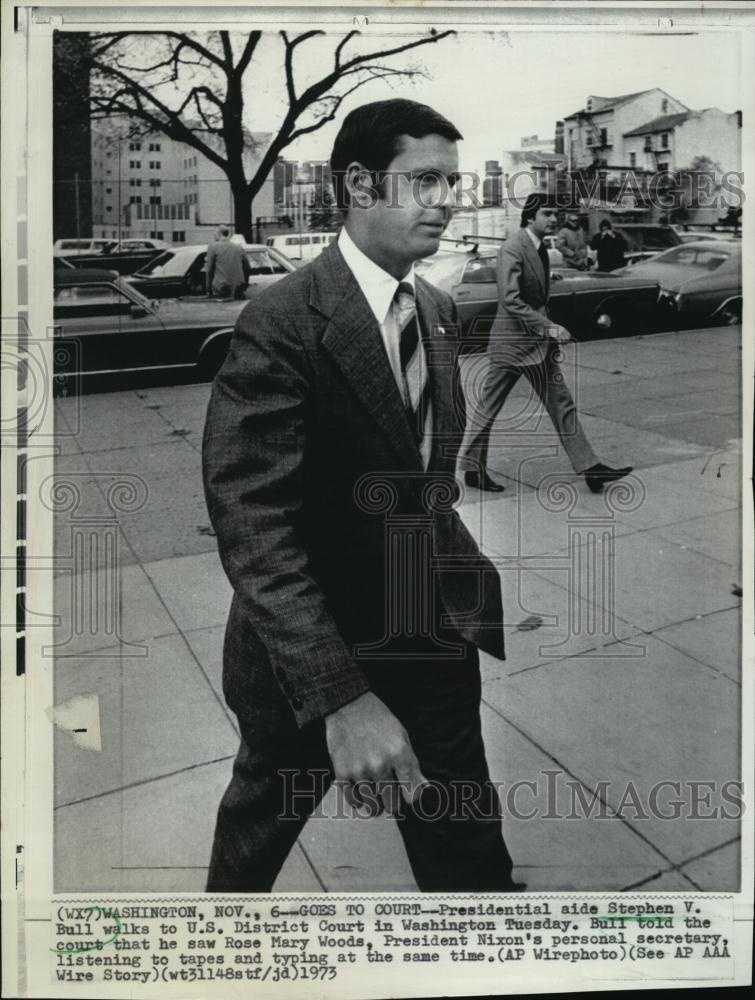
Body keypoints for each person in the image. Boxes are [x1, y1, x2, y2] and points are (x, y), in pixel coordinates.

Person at [202, 99, 521, 893]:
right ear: (358, 184)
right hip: (310, 658)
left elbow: (426, 484)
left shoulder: (439, 313)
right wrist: (340, 699)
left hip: (427, 630)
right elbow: (254, 530)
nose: (446, 200)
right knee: (253, 848)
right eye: (424, 181)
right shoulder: (282, 321)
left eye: (452, 181)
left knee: (465, 841)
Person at [461, 193, 632, 494]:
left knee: (562, 403)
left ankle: (590, 468)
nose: (555, 219)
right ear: (530, 217)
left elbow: (532, 291)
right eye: (548, 214)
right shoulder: (512, 248)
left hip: (537, 346)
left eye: (555, 214)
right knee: (489, 407)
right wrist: (549, 327)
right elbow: (510, 300)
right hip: (512, 346)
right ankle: (473, 469)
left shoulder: (537, 248)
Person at [205, 225, 251, 298]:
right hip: (238, 288)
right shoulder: (239, 248)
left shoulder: (213, 247)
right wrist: (245, 284)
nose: (214, 236)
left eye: (214, 234)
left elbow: (210, 269)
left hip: (221, 287)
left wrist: (208, 289)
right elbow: (247, 268)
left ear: (218, 234)